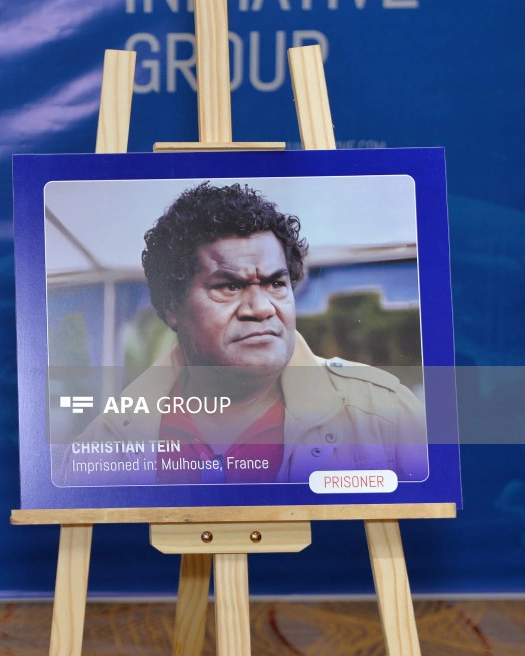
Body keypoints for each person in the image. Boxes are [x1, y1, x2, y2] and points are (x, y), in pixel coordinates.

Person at [58, 182, 427, 486]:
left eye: (276, 283)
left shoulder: (385, 417)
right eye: (229, 286)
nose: (261, 308)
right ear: (171, 307)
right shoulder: (104, 445)